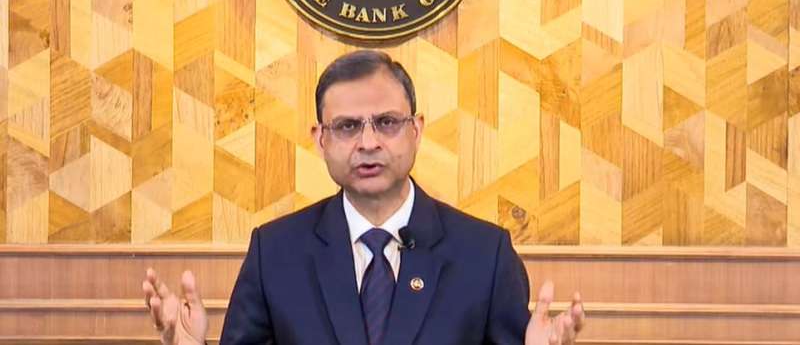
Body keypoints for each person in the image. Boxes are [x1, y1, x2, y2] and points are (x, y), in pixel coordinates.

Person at [143, 50, 585, 344]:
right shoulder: (275, 252)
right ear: (320, 139)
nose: (368, 142)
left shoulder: (484, 254)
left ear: (417, 130)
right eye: (348, 126)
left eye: (387, 122)